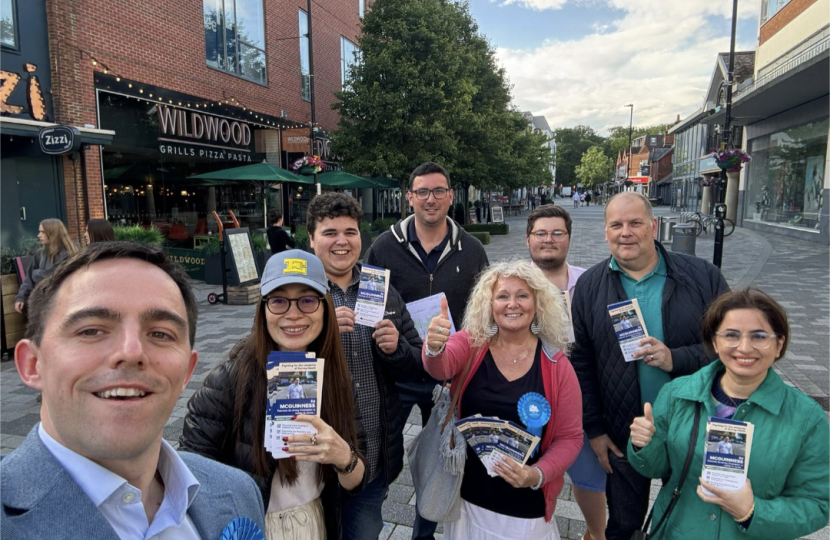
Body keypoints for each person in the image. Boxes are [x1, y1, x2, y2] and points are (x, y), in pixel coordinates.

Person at [0, 242, 265, 539]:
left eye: (160, 334)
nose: (131, 351)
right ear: (32, 364)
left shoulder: (238, 492)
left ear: (186, 373)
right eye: (91, 330)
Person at [570, 192, 729, 540]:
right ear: (605, 231)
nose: (625, 232)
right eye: (616, 225)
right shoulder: (588, 286)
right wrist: (594, 430)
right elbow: (581, 362)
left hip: (693, 427)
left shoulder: (702, 277)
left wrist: (677, 358)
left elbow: (730, 344)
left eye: (635, 223)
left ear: (653, 227)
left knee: (692, 522)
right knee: (624, 526)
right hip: (622, 432)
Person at [180, 250, 367, 540]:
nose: (293, 315)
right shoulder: (229, 379)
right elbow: (189, 470)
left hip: (315, 522)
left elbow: (357, 481)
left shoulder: (337, 378)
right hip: (248, 527)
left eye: (307, 300)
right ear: (263, 309)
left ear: (325, 307)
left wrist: (343, 456)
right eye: (279, 301)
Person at [628, 288, 830, 540]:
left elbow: (816, 504)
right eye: (731, 335)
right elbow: (658, 469)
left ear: (779, 344)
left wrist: (752, 512)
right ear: (715, 342)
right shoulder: (676, 394)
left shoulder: (807, 417)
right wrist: (644, 445)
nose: (744, 348)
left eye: (759, 336)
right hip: (677, 532)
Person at [364, 162, 488, 540]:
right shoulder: (384, 246)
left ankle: (424, 533)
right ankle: (368, 523)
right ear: (409, 197)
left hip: (448, 377)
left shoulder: (472, 250)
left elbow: (481, 315)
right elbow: (369, 304)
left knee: (441, 461)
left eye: (438, 191)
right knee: (381, 454)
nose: (430, 199)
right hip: (397, 372)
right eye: (422, 192)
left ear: (451, 196)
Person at [423, 261, 583, 539]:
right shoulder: (472, 343)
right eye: (502, 296)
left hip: (526, 510)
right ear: (489, 304)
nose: (513, 304)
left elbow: (570, 438)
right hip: (468, 502)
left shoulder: (556, 364)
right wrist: (434, 347)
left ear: (537, 304)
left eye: (522, 295)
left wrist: (537, 475)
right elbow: (441, 368)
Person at [306, 192, 423, 539]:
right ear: (311, 239)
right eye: (330, 233)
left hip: (371, 456)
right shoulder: (299, 293)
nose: (341, 241)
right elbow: (269, 366)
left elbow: (417, 363)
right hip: (309, 465)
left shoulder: (380, 288)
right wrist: (319, 335)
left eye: (350, 232)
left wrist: (396, 348)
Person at [526, 204, 607, 540]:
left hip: (582, 396)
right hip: (529, 395)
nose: (549, 240)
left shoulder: (590, 282)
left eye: (557, 233)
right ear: (528, 239)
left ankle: (595, 533)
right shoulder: (514, 283)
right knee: (531, 473)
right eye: (541, 233)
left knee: (590, 477)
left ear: (569, 238)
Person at [14, 218, 78, 313]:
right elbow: (29, 279)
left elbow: (53, 275)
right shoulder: (40, 253)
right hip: (42, 304)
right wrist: (21, 297)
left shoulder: (69, 253)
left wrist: (36, 274)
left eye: (42, 232)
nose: (39, 235)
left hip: (64, 304)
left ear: (53, 233)